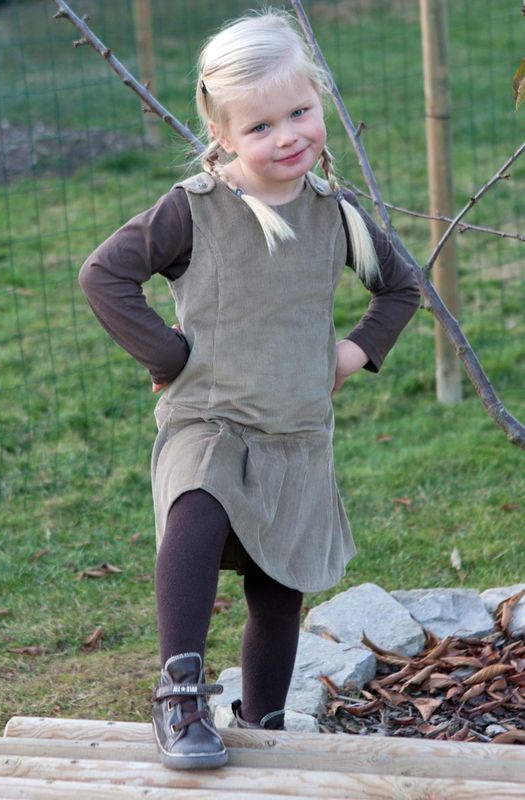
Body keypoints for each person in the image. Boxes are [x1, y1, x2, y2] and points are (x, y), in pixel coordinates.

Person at [79, 8, 420, 771]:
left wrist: (353, 354)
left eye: (300, 112)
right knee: (194, 513)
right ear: (223, 131)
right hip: (210, 417)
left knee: (279, 588)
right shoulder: (196, 208)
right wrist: (170, 354)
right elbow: (104, 275)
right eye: (261, 125)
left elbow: (401, 289)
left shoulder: (336, 216)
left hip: (295, 433)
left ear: (318, 103)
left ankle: (263, 717)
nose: (288, 135)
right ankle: (178, 695)